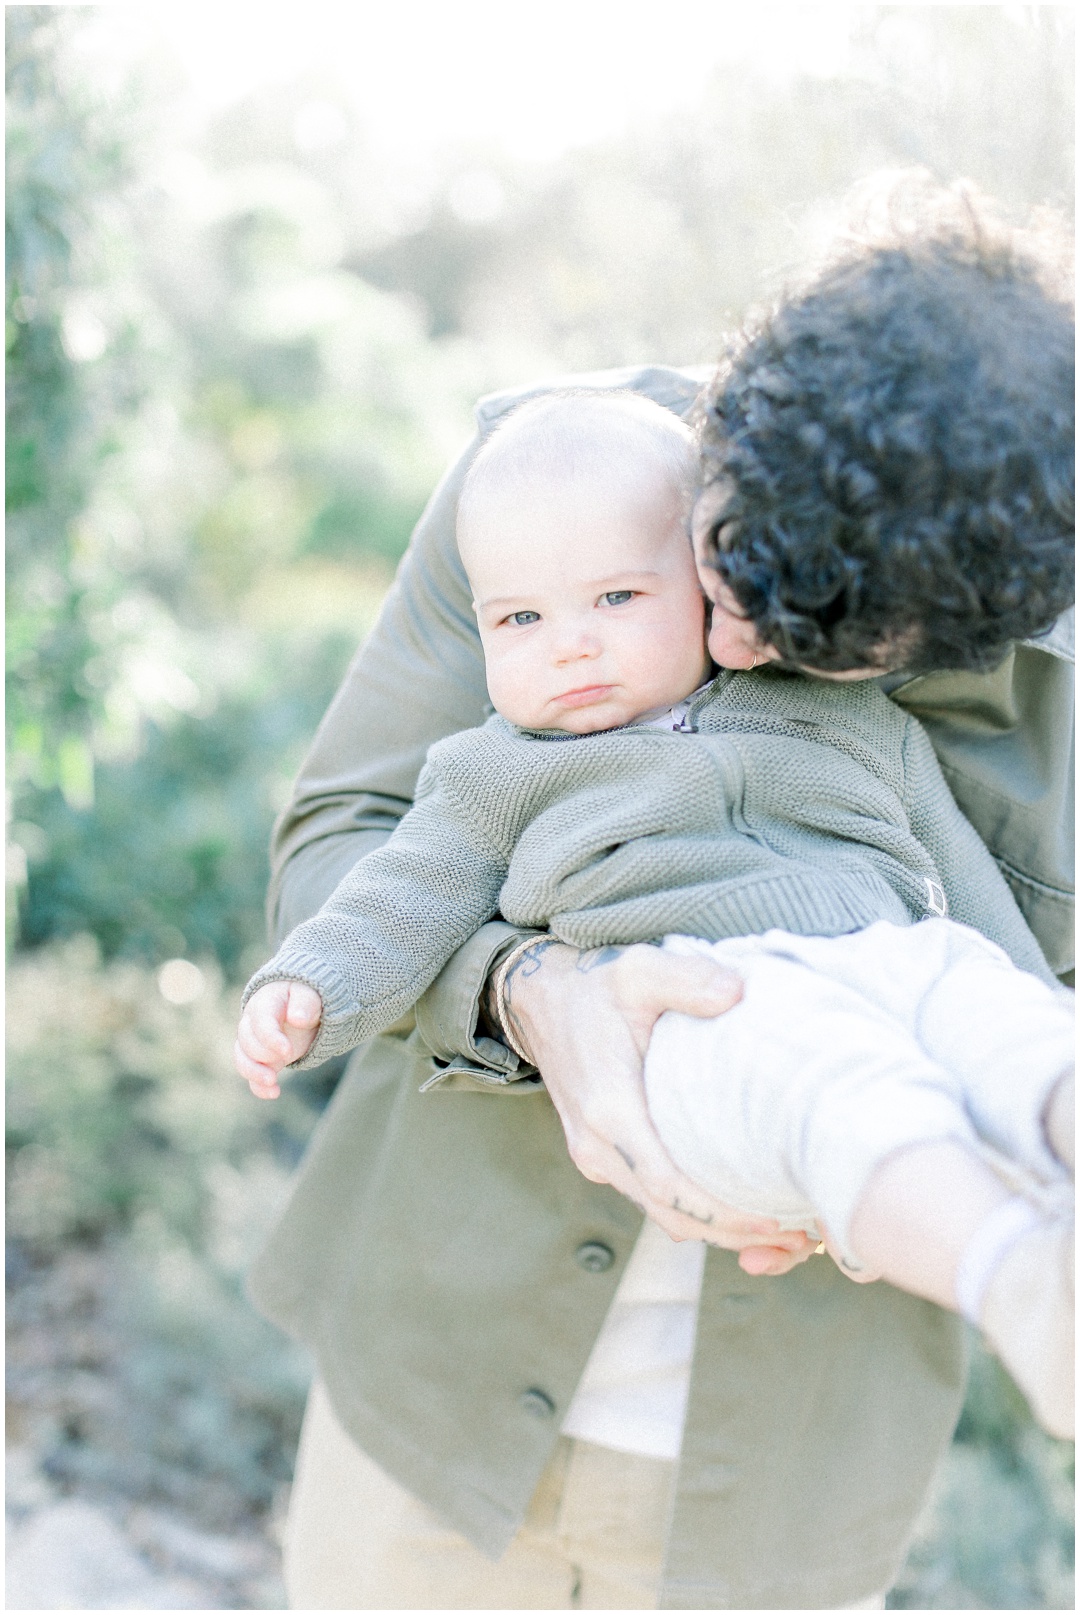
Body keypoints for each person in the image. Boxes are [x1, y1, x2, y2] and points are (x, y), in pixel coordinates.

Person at [242, 179, 1075, 1610]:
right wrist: (529, 994)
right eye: (728, 562)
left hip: (785, 1478)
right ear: (733, 418)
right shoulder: (550, 480)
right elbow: (350, 838)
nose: (738, 638)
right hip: (433, 1378)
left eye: (833, 639)